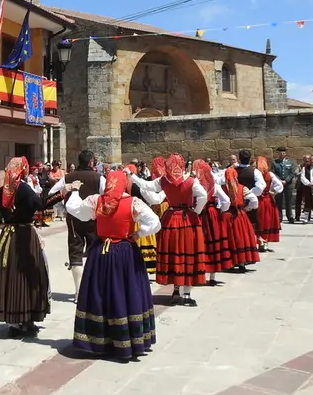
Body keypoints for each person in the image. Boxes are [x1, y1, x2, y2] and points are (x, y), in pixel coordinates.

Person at [64, 171, 160, 360]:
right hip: (125, 252)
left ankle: (100, 339)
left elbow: (74, 210)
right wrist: (139, 234)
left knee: (100, 293)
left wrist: (75, 191)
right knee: (126, 291)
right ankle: (127, 340)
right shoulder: (133, 202)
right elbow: (155, 223)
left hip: (101, 252)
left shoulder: (96, 201)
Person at [0, 157, 50, 337]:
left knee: (11, 274)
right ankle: (27, 319)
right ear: (23, 170)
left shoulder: (4, 190)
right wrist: (60, 193)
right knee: (29, 275)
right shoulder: (24, 189)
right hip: (25, 235)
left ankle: (15, 320)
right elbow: (40, 205)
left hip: (8, 236)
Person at [130, 154, 208, 306]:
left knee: (175, 254)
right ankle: (186, 294)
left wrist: (132, 176)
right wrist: (196, 211)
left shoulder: (164, 181)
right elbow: (203, 195)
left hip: (171, 218)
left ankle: (176, 290)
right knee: (188, 254)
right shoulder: (191, 181)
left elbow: (146, 186)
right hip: (187, 220)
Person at [45, 150, 106, 300]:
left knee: (75, 251)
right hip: (93, 218)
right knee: (95, 250)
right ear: (91, 162)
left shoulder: (67, 177)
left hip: (73, 219)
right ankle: (95, 289)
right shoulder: (99, 178)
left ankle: (79, 292)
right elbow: (106, 196)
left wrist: (63, 208)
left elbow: (52, 193)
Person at [192, 160, 232, 284]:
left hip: (197, 214)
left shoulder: (193, 184)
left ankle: (198, 273)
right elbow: (226, 201)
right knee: (212, 242)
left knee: (198, 243)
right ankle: (212, 277)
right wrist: (220, 211)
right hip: (211, 214)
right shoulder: (214, 185)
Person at [220, 167, 261, 272]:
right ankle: (242, 262)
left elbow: (221, 203)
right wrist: (246, 209)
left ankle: (230, 262)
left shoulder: (222, 188)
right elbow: (254, 201)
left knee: (229, 238)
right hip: (239, 215)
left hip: (227, 216)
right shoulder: (242, 188)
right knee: (240, 238)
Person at [255, 156, 283, 248]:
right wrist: (273, 192)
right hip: (267, 200)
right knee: (266, 220)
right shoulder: (270, 174)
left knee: (258, 220)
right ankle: (265, 241)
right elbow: (280, 186)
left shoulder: (255, 173)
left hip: (257, 199)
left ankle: (260, 240)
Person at [272, 147, 297, 224]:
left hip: (288, 184)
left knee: (288, 201)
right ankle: (279, 216)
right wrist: (279, 181)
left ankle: (290, 216)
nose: (282, 154)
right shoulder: (274, 162)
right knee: (278, 200)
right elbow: (273, 173)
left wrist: (286, 180)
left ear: (285, 153)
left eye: (283, 152)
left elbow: (292, 173)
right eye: (280, 152)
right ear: (278, 153)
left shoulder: (291, 162)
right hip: (278, 184)